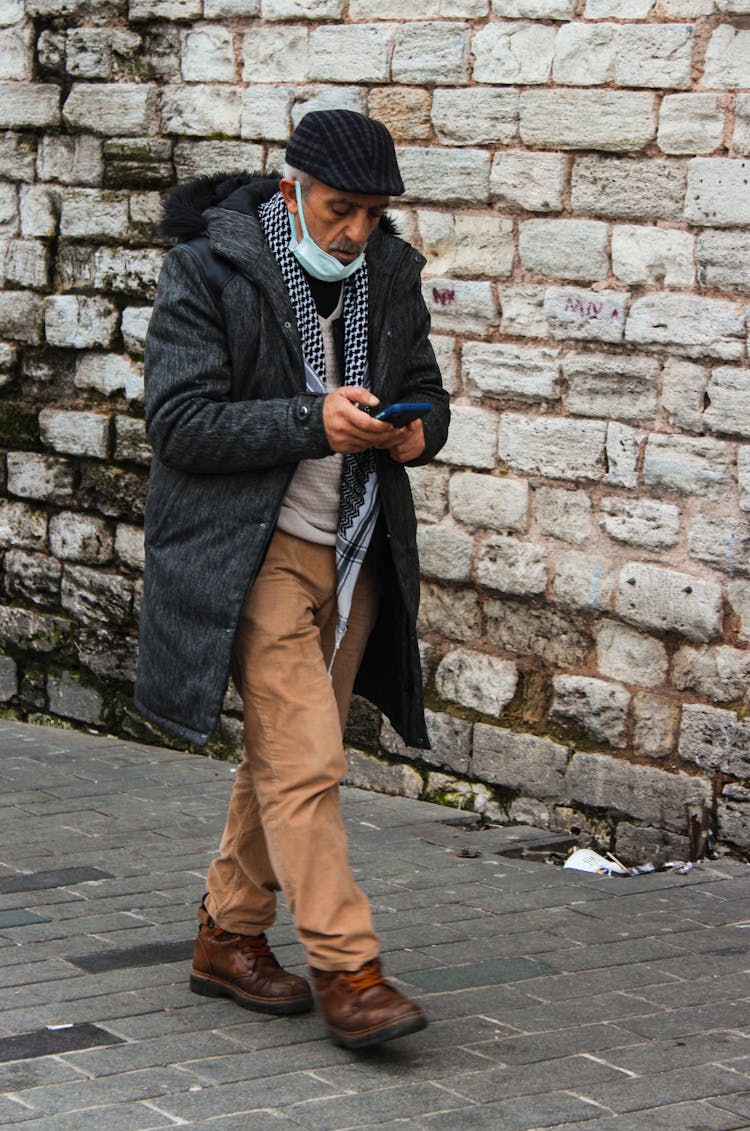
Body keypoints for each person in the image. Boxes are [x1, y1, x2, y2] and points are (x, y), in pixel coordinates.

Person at [134, 109, 450, 1050]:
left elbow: (429, 389)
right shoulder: (209, 267)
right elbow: (180, 423)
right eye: (339, 210)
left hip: (351, 548)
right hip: (249, 549)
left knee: (280, 755)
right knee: (308, 754)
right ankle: (349, 969)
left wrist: (415, 430)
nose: (357, 231)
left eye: (373, 213)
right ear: (292, 191)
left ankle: (227, 936)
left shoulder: (390, 273)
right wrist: (313, 421)